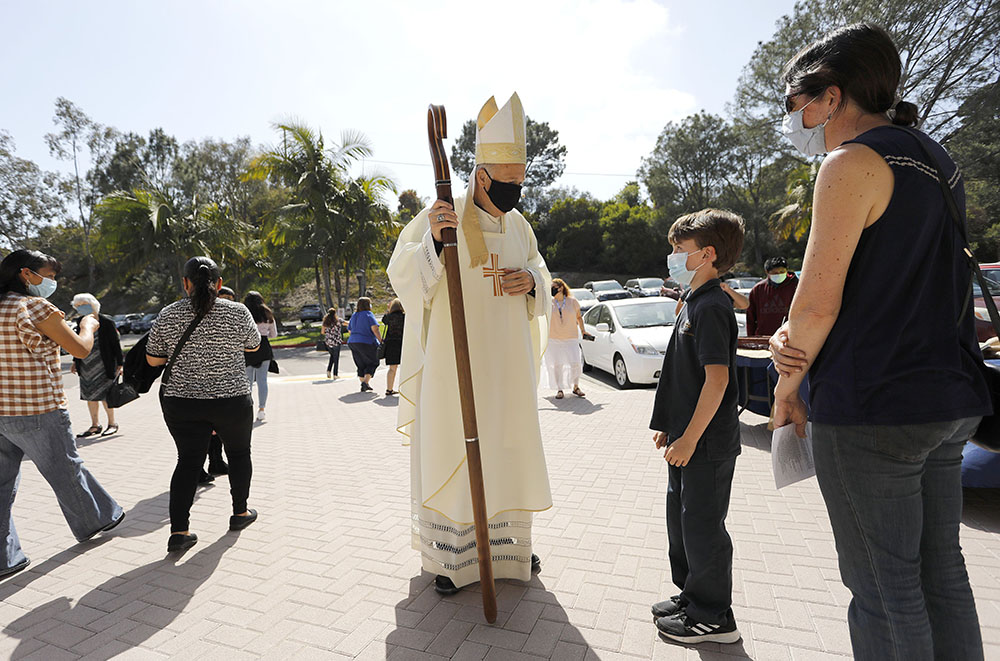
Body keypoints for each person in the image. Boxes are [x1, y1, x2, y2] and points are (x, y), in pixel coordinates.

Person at [769, 24, 989, 661]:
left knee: (884, 589)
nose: (795, 119)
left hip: (875, 407)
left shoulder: (850, 164)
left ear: (831, 98)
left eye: (795, 103)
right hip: (947, 398)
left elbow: (814, 305)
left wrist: (786, 388)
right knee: (942, 575)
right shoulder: (937, 161)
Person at [387, 92, 552, 595]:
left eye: (521, 183)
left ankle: (508, 550)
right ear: (482, 176)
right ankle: (452, 559)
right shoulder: (443, 214)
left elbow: (543, 275)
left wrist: (530, 280)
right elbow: (403, 275)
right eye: (508, 183)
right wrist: (436, 243)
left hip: (508, 368)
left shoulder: (520, 225)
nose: (515, 192)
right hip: (452, 369)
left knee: (507, 447)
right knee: (455, 450)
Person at [649, 209, 745, 644]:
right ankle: (692, 595)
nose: (671, 256)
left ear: (706, 254)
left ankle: (714, 617)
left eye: (678, 250)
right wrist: (672, 427)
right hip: (686, 439)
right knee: (683, 523)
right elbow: (683, 376)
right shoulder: (691, 301)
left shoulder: (711, 307)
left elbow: (718, 379)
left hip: (705, 443)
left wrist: (689, 437)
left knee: (704, 528)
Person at [0, 250, 124, 578]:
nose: (52, 282)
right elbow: (80, 349)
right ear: (26, 274)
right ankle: (97, 519)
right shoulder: (34, 307)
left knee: (0, 485)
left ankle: (4, 558)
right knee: (65, 468)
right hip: (37, 407)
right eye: (49, 275)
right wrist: (89, 324)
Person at [146, 257, 261, 553]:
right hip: (232, 400)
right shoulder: (237, 311)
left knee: (187, 462)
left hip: (182, 403)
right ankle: (240, 513)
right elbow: (254, 345)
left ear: (185, 283)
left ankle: (179, 532)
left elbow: (153, 360)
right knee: (238, 454)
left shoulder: (168, 314)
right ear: (219, 284)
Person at [69, 293, 124, 438]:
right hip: (86, 365)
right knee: (90, 396)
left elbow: (115, 345)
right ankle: (95, 425)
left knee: (106, 396)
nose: (80, 308)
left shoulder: (106, 321)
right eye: (78, 306)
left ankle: (112, 424)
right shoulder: (80, 321)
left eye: (83, 305)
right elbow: (78, 342)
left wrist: (120, 364)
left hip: (104, 364)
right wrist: (75, 361)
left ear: (93, 304)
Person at [544, 278, 585, 399]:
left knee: (575, 363)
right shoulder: (549, 302)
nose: (552, 289)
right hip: (554, 338)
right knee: (557, 365)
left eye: (554, 287)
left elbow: (579, 317)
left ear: (561, 288)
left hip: (571, 337)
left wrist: (583, 331)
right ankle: (559, 389)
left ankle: (576, 386)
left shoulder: (573, 302)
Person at [243, 291, 277, 422]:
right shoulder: (267, 313)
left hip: (248, 348)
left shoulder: (244, 313)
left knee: (248, 382)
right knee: (262, 381)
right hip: (263, 347)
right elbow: (273, 334)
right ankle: (262, 410)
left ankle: (248, 409)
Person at [745, 257, 798, 336]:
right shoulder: (758, 289)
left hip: (790, 338)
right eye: (775, 273)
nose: (779, 274)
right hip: (764, 337)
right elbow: (750, 318)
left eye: (782, 271)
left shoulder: (797, 287)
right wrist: (751, 338)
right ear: (767, 272)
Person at [347, 297, 382, 393]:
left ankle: (364, 384)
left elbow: (349, 330)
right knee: (373, 362)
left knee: (360, 363)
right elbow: (375, 329)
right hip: (367, 341)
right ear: (368, 305)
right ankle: (365, 383)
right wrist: (381, 340)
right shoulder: (368, 314)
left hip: (353, 342)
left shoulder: (354, 315)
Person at [381, 299, 405, 396]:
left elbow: (384, 319)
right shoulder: (404, 317)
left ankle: (389, 389)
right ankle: (405, 389)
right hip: (402, 343)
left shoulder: (388, 317)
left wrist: (388, 310)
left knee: (392, 369)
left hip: (390, 344)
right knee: (405, 367)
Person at [321, 308, 344, 379]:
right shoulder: (338, 320)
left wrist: (328, 333)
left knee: (332, 357)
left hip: (328, 342)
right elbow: (347, 323)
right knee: (336, 358)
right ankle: (335, 374)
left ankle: (329, 370)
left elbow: (322, 332)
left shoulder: (325, 322)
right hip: (336, 341)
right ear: (335, 313)